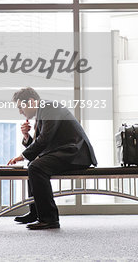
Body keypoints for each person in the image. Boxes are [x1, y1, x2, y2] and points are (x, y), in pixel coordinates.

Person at [7, 87, 97, 230]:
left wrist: (22, 156)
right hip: (66, 151)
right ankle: (35, 213)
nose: (20, 112)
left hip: (75, 153)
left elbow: (44, 140)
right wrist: (27, 137)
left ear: (30, 102)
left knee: (36, 167)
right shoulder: (43, 111)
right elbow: (42, 145)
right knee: (34, 164)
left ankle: (49, 219)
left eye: (20, 107)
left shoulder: (49, 107)